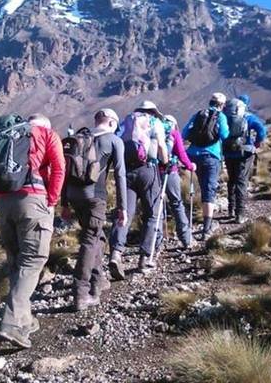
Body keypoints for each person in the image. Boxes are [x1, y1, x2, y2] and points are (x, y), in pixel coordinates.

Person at [0, 113, 65, 349]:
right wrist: (51, 201)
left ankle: (25, 319)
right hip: (34, 200)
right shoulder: (47, 134)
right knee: (34, 259)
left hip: (5, 204)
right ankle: (12, 323)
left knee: (17, 260)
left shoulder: (0, 138)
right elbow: (58, 169)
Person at [62, 109, 128, 311]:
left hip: (74, 195)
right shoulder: (114, 140)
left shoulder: (80, 138)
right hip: (94, 197)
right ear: (112, 123)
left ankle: (98, 281)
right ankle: (81, 293)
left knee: (96, 236)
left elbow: (66, 172)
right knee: (90, 240)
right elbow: (120, 175)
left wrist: (64, 203)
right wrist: (123, 207)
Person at [108, 101, 169, 277]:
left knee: (124, 212)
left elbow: (117, 141)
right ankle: (144, 258)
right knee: (152, 214)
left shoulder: (127, 120)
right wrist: (165, 163)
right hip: (148, 170)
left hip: (126, 171)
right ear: (152, 111)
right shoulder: (155, 122)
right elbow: (162, 148)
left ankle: (116, 254)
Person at [182, 93, 230, 241]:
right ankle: (206, 229)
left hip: (192, 155)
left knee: (195, 187)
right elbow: (224, 134)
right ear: (222, 105)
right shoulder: (220, 116)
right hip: (211, 156)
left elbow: (184, 133)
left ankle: (184, 224)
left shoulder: (198, 114)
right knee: (208, 190)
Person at [223, 96, 267, 224]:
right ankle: (240, 214)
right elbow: (261, 131)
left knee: (231, 180)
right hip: (244, 154)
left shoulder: (225, 116)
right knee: (241, 182)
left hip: (228, 153)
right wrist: (256, 143)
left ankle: (230, 209)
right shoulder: (248, 117)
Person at [159, 115, 196, 250]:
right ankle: (186, 239)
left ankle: (157, 242)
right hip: (170, 172)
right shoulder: (174, 133)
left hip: (154, 173)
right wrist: (190, 166)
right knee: (176, 203)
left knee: (156, 205)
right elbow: (181, 153)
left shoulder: (154, 130)